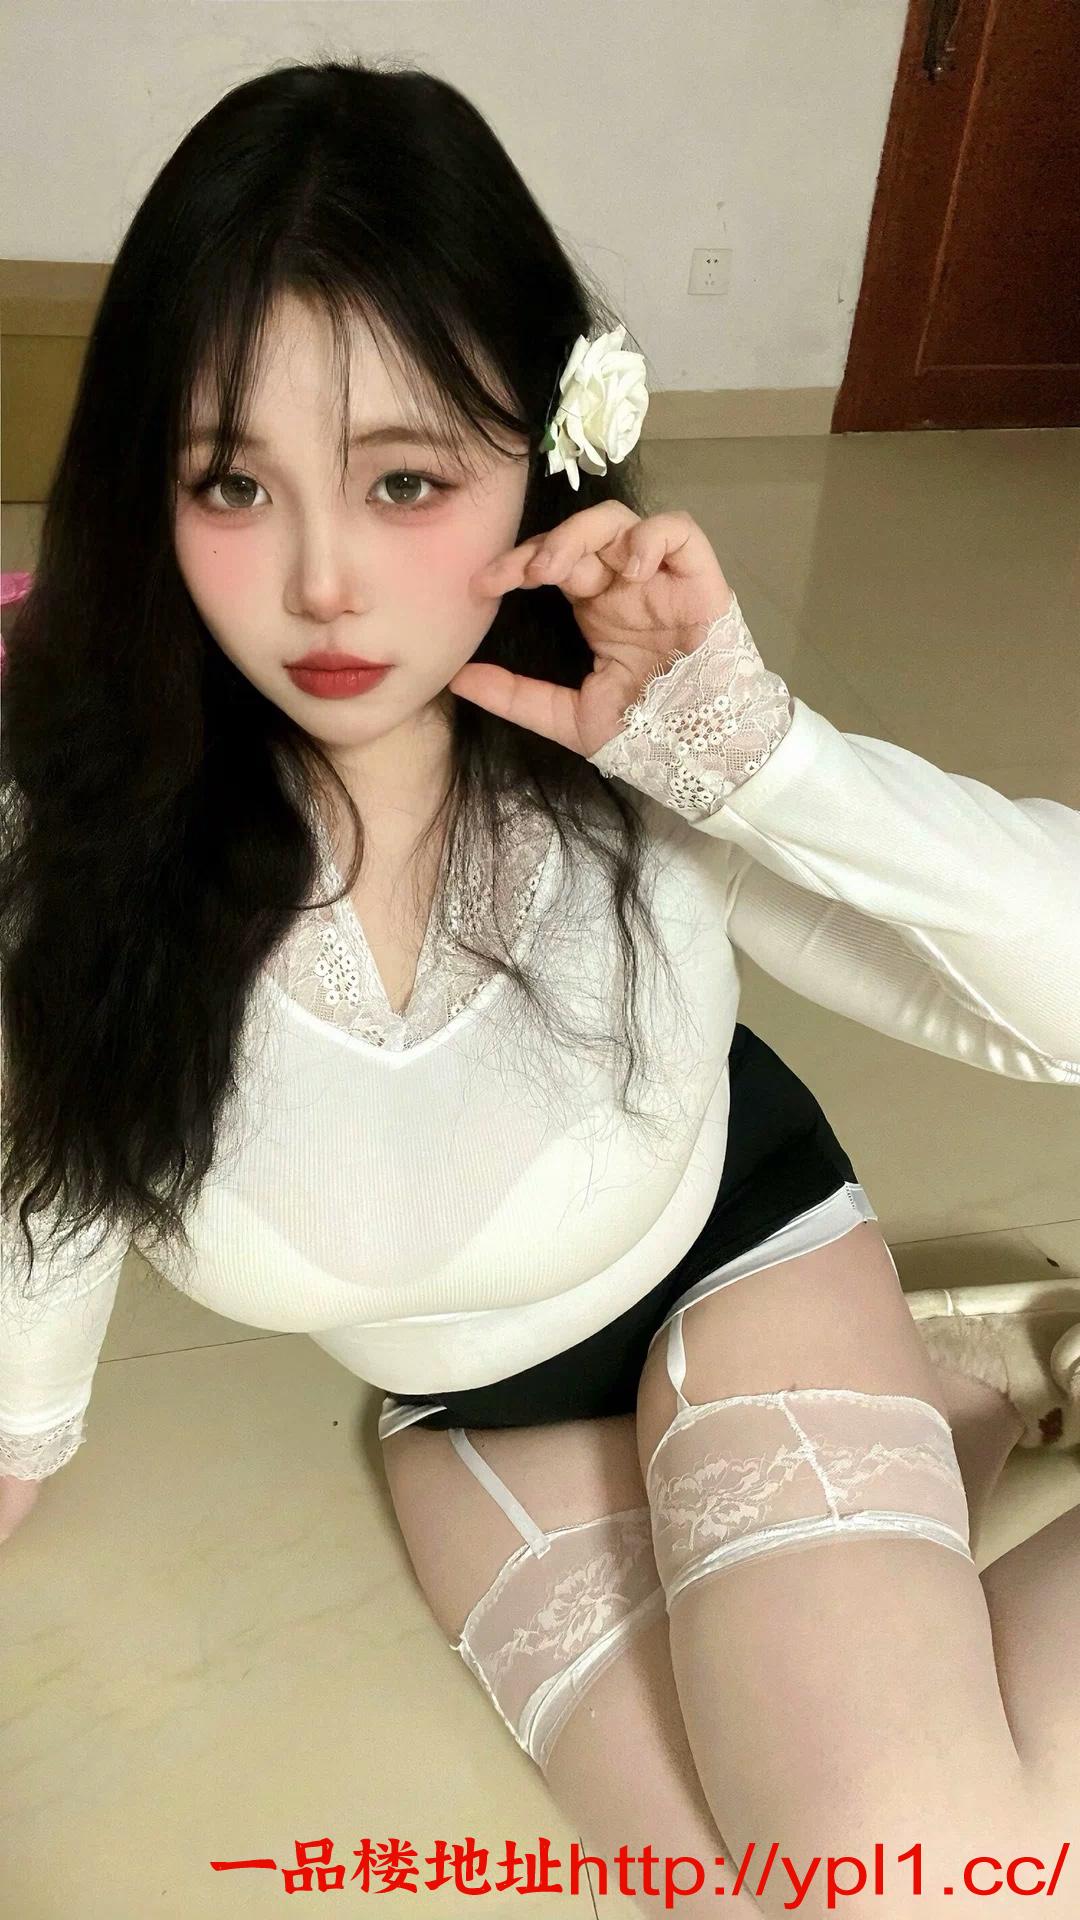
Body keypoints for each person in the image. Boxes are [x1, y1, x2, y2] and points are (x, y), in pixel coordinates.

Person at [1, 56, 1077, 1919]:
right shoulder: (67, 833)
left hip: (741, 1271)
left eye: (406, 478)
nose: (324, 584)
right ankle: (959, 1390)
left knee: (920, 1885)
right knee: (772, 1888)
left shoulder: (630, 738)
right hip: (483, 1427)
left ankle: (908, 1384)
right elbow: (43, 1218)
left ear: (540, 453)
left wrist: (769, 762)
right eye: (233, 481)